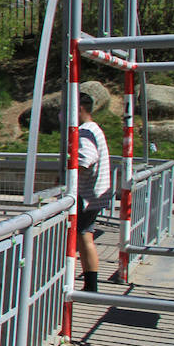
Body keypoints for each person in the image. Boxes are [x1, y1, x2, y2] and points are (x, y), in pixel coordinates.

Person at [76, 93, 112, 293]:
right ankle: (89, 282)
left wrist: (67, 170)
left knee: (84, 236)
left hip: (86, 195)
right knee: (84, 236)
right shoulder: (94, 128)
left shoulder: (85, 132)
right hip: (94, 194)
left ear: (79, 108)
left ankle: (90, 285)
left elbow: (85, 159)